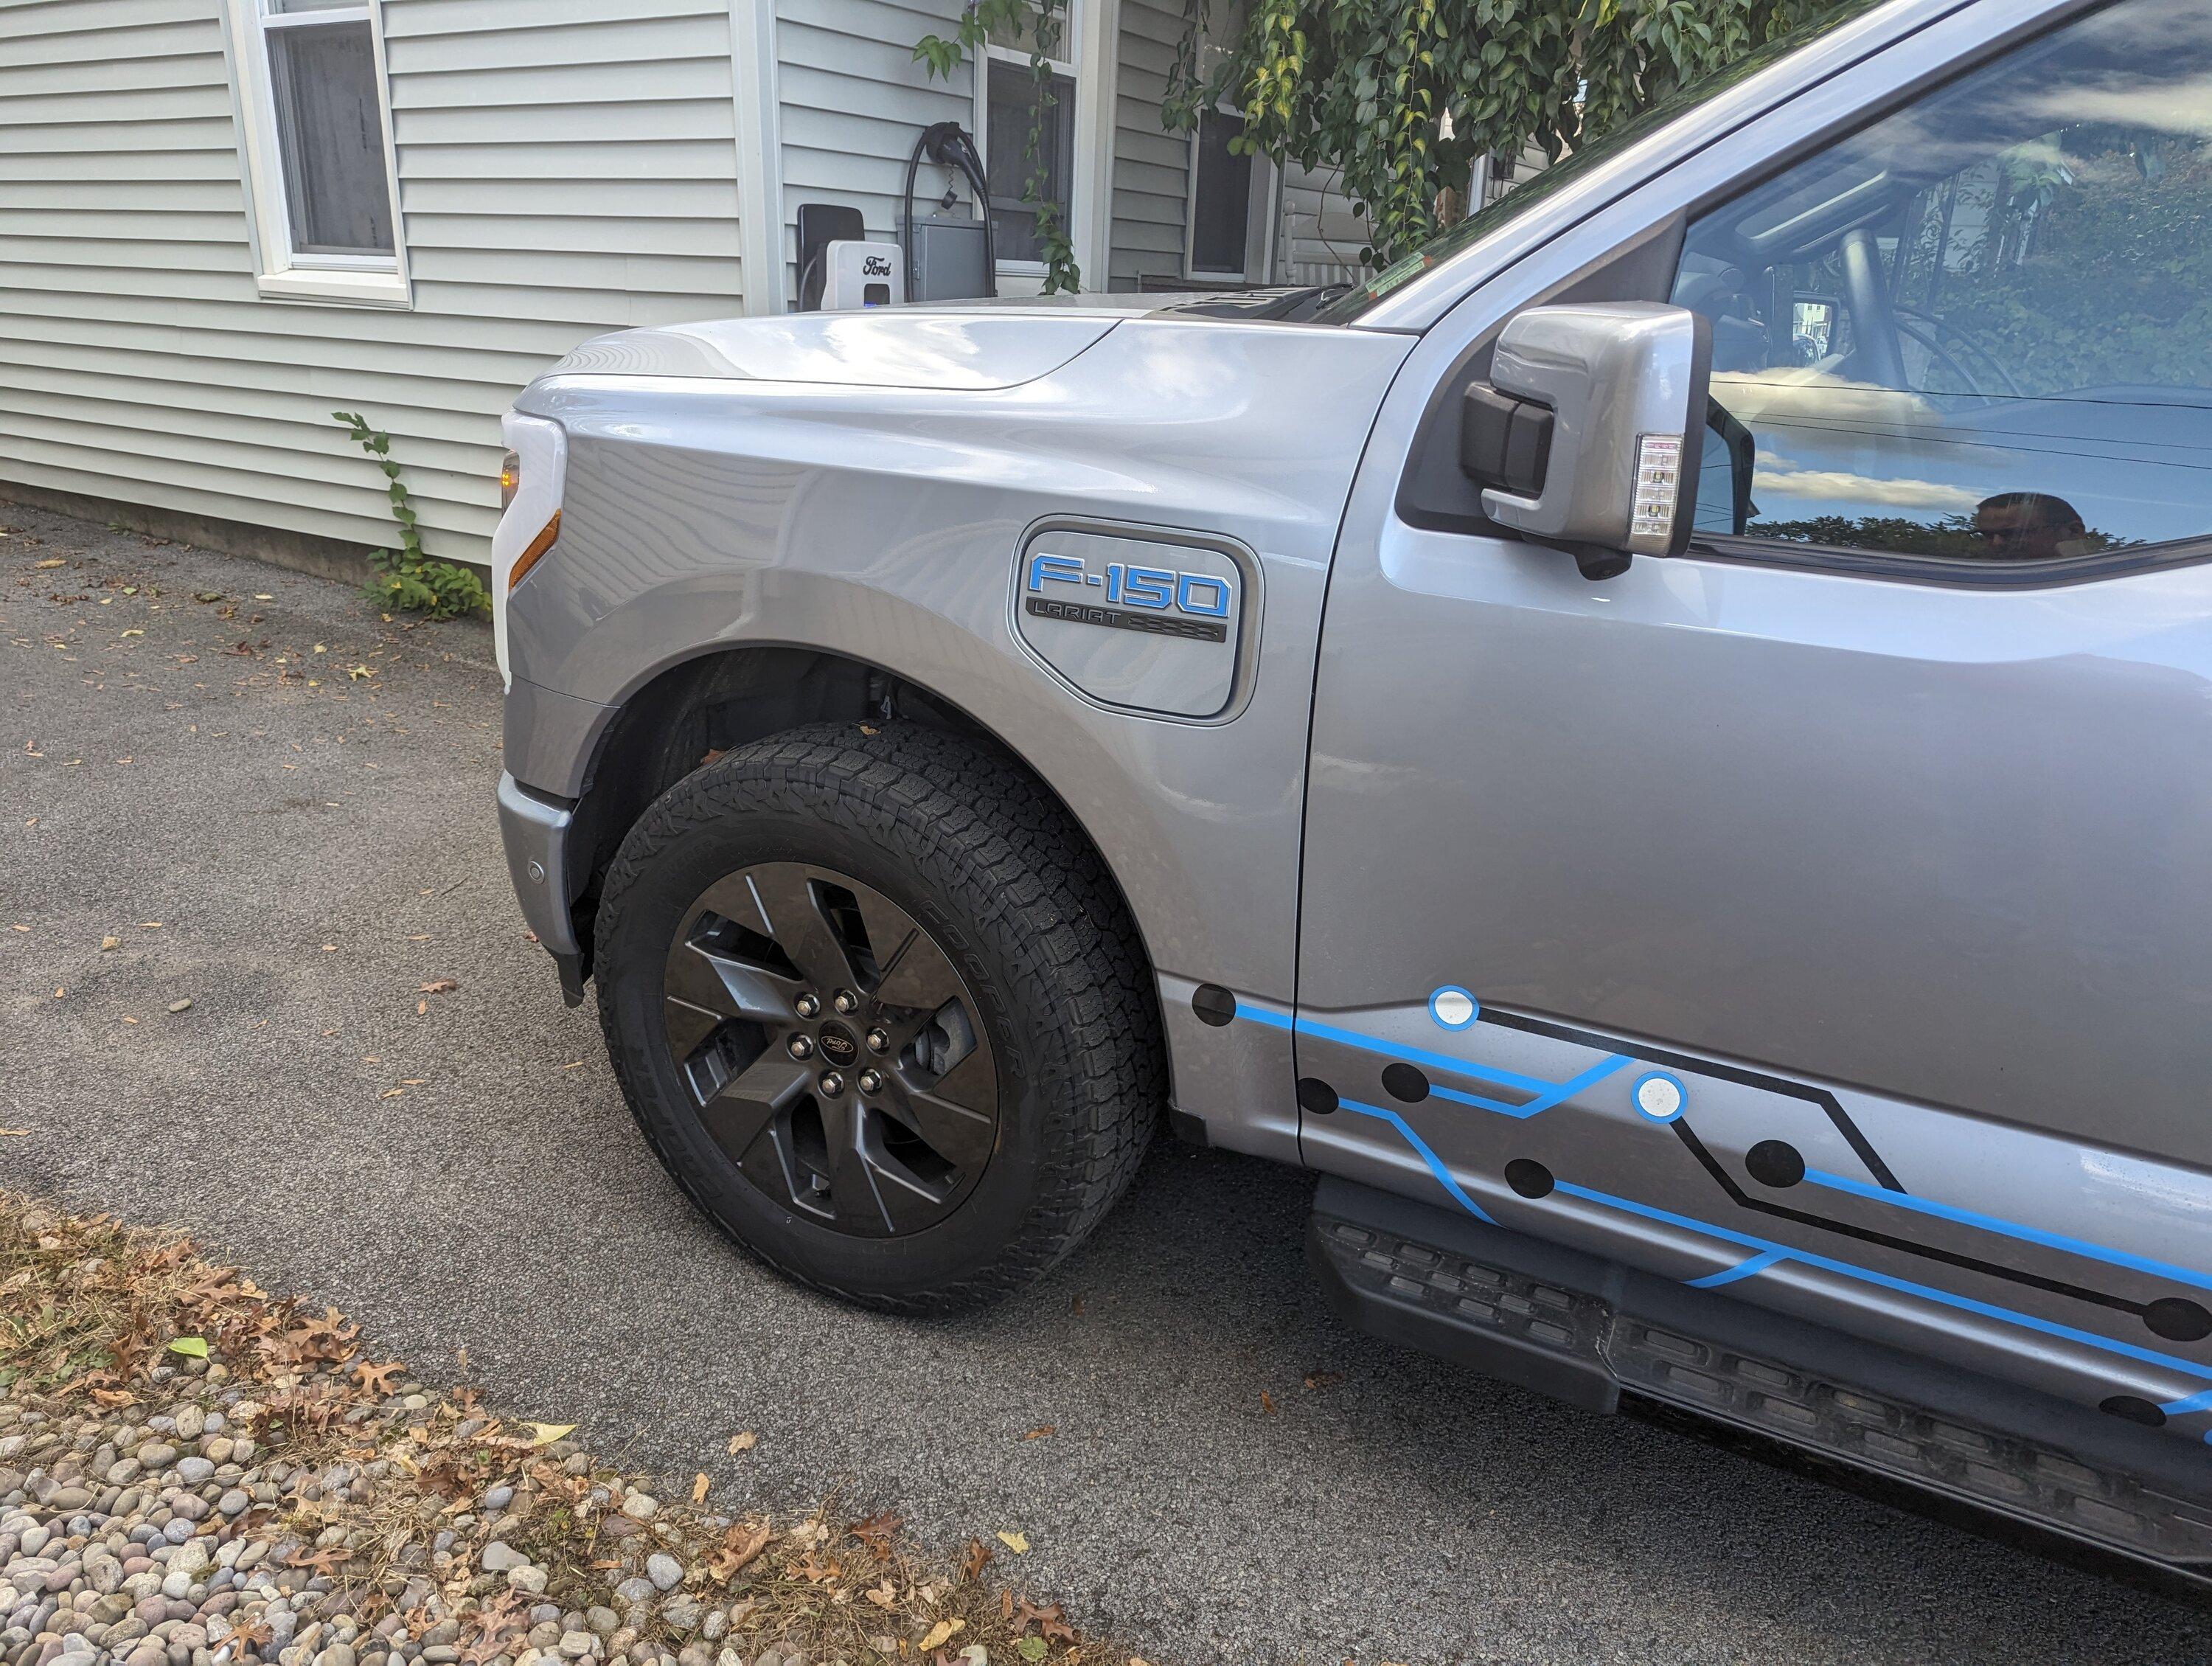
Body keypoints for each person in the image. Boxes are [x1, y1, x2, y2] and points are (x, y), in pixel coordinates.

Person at [1972, 491, 2087, 561]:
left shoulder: (2096, 581)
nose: (1996, 543)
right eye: (1986, 535)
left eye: (2012, 533)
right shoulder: (1973, 571)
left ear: (2074, 532)